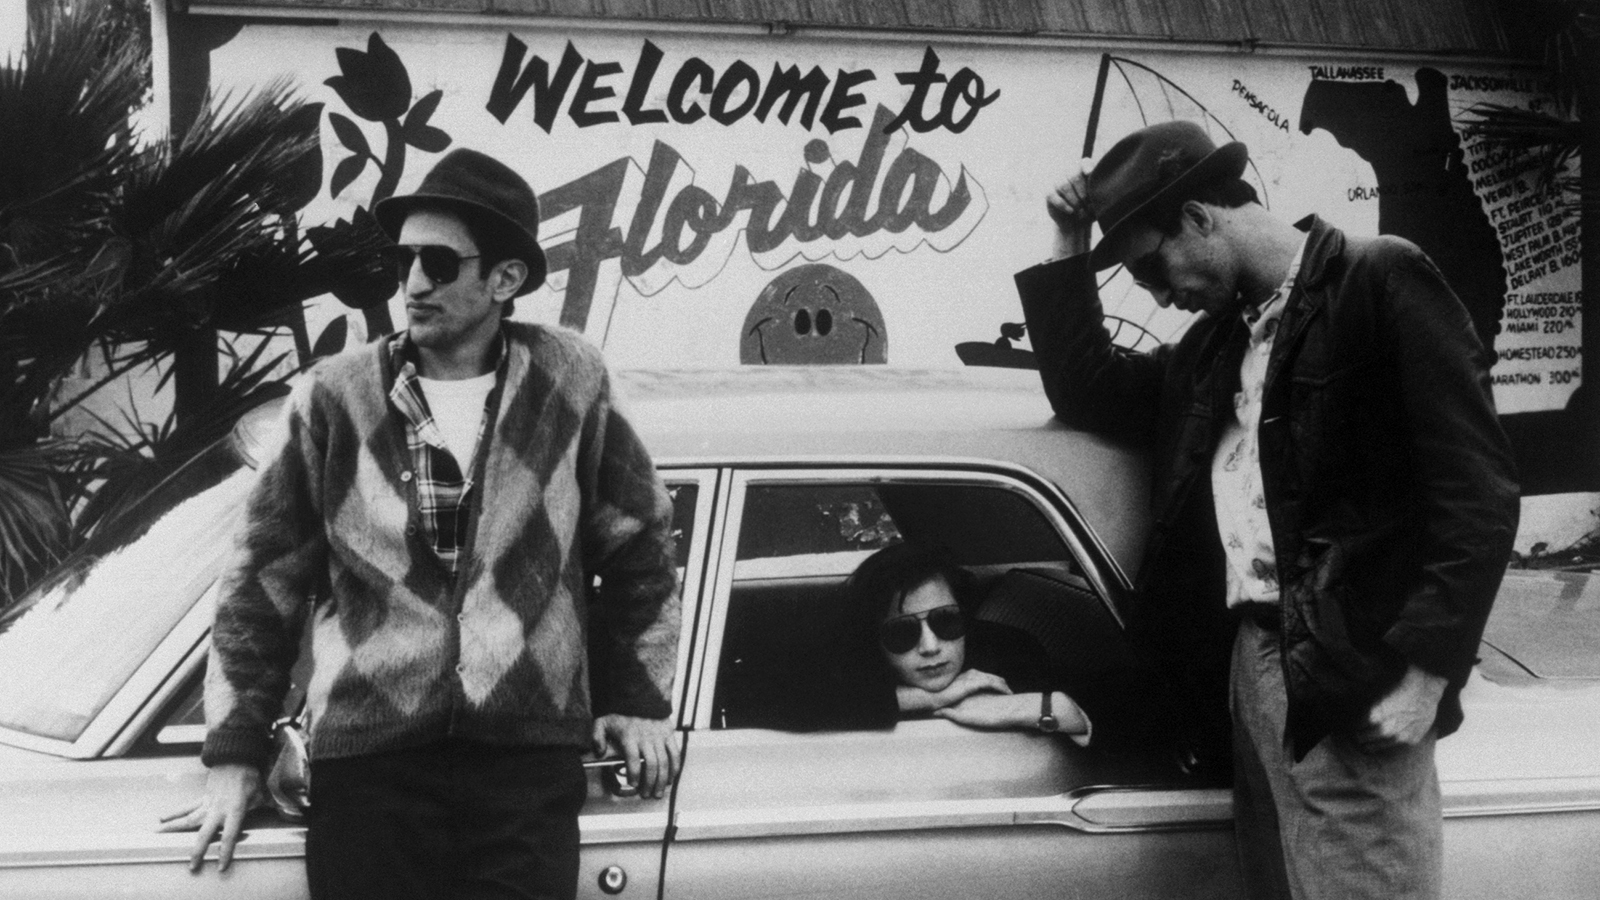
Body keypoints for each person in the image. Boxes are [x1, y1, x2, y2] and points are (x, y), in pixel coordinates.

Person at [1013, 120, 1520, 900]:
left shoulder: (1379, 277)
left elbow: (1477, 491)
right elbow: (1089, 389)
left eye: (1151, 268)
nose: (1159, 295)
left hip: (1352, 669)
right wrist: (1067, 236)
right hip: (1250, 657)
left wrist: (1428, 672)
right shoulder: (1216, 345)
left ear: (1199, 217)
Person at [160, 148, 682, 900]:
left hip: (524, 771)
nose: (412, 283)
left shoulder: (571, 379)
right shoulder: (333, 396)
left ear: (505, 279)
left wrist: (636, 700)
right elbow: (262, 577)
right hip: (369, 773)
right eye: (403, 261)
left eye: (438, 262)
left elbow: (639, 544)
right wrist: (236, 752)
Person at [764, 542, 1158, 749]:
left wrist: (1039, 707)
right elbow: (763, 695)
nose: (931, 646)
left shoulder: (1007, 652)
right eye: (902, 633)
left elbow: (1143, 710)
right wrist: (928, 698)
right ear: (875, 638)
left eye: (946, 621)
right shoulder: (854, 664)